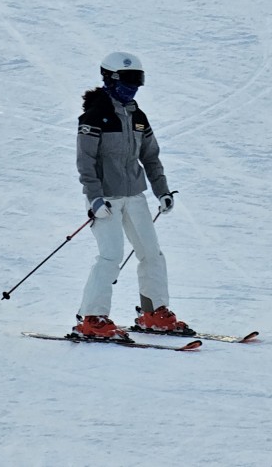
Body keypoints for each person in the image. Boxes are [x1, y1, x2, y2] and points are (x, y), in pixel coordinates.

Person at [72, 52, 190, 340]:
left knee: (152, 253)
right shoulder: (94, 117)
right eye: (128, 79)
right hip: (105, 199)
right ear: (111, 79)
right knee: (111, 255)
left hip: (135, 196)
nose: (133, 85)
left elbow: (151, 157)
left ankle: (154, 313)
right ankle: (91, 318)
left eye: (137, 79)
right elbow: (85, 162)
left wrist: (162, 190)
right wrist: (95, 197)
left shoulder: (138, 117)